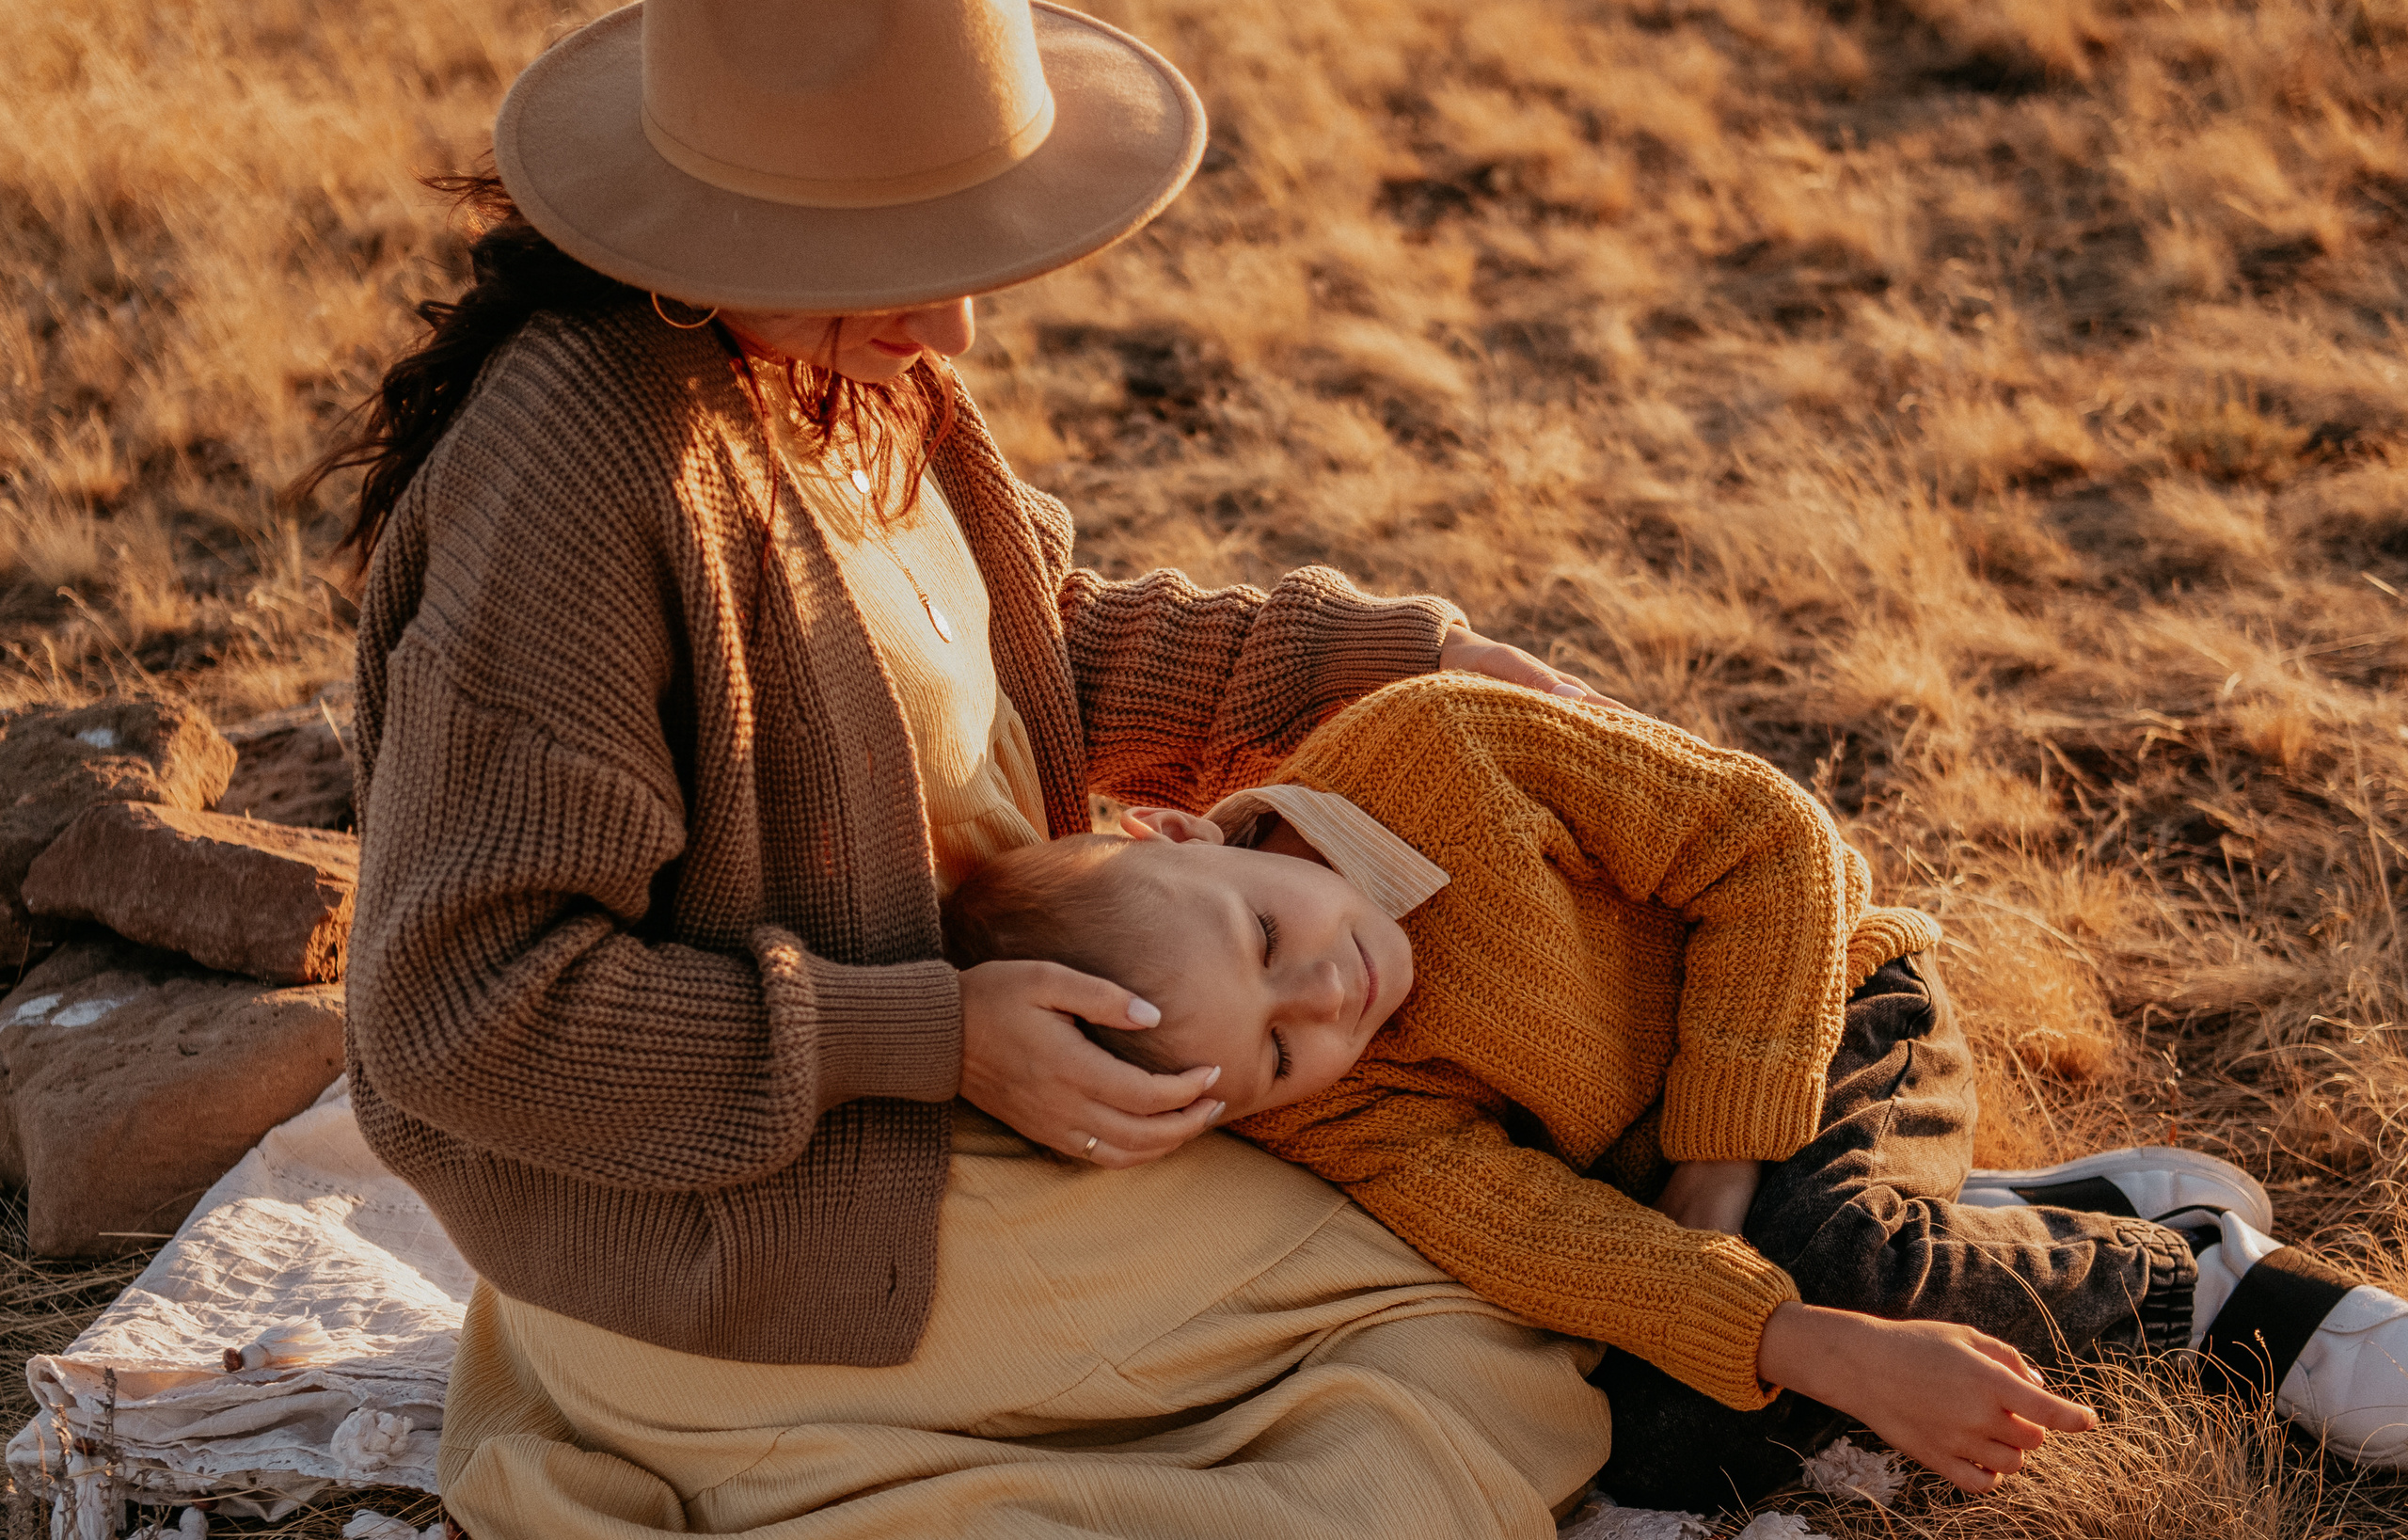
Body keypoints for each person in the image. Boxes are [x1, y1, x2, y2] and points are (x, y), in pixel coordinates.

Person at [325, 2, 1624, 1534]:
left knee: (1500, 1254)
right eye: (895, 266)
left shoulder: (832, 359)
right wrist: (936, 1035)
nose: (949, 332)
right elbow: (462, 1018)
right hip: (742, 1222)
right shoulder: (574, 477)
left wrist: (1382, 653)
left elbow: (1015, 666)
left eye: (961, 249)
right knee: (1498, 1345)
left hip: (931, 1105)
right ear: (719, 225)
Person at [943, 671, 2408, 1508]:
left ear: (1184, 823)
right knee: (1640, 1416)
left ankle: (2210, 1287)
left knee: (1833, 1253)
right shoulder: (1327, 1109)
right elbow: (1537, 1233)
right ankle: (2055, 1209)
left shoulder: (1431, 749)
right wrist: (1751, 1298)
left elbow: (1770, 843)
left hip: (1834, 1013)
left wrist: (1719, 1161)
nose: (1324, 994)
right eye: (1271, 1045)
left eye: (1264, 935)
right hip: (1680, 1170)